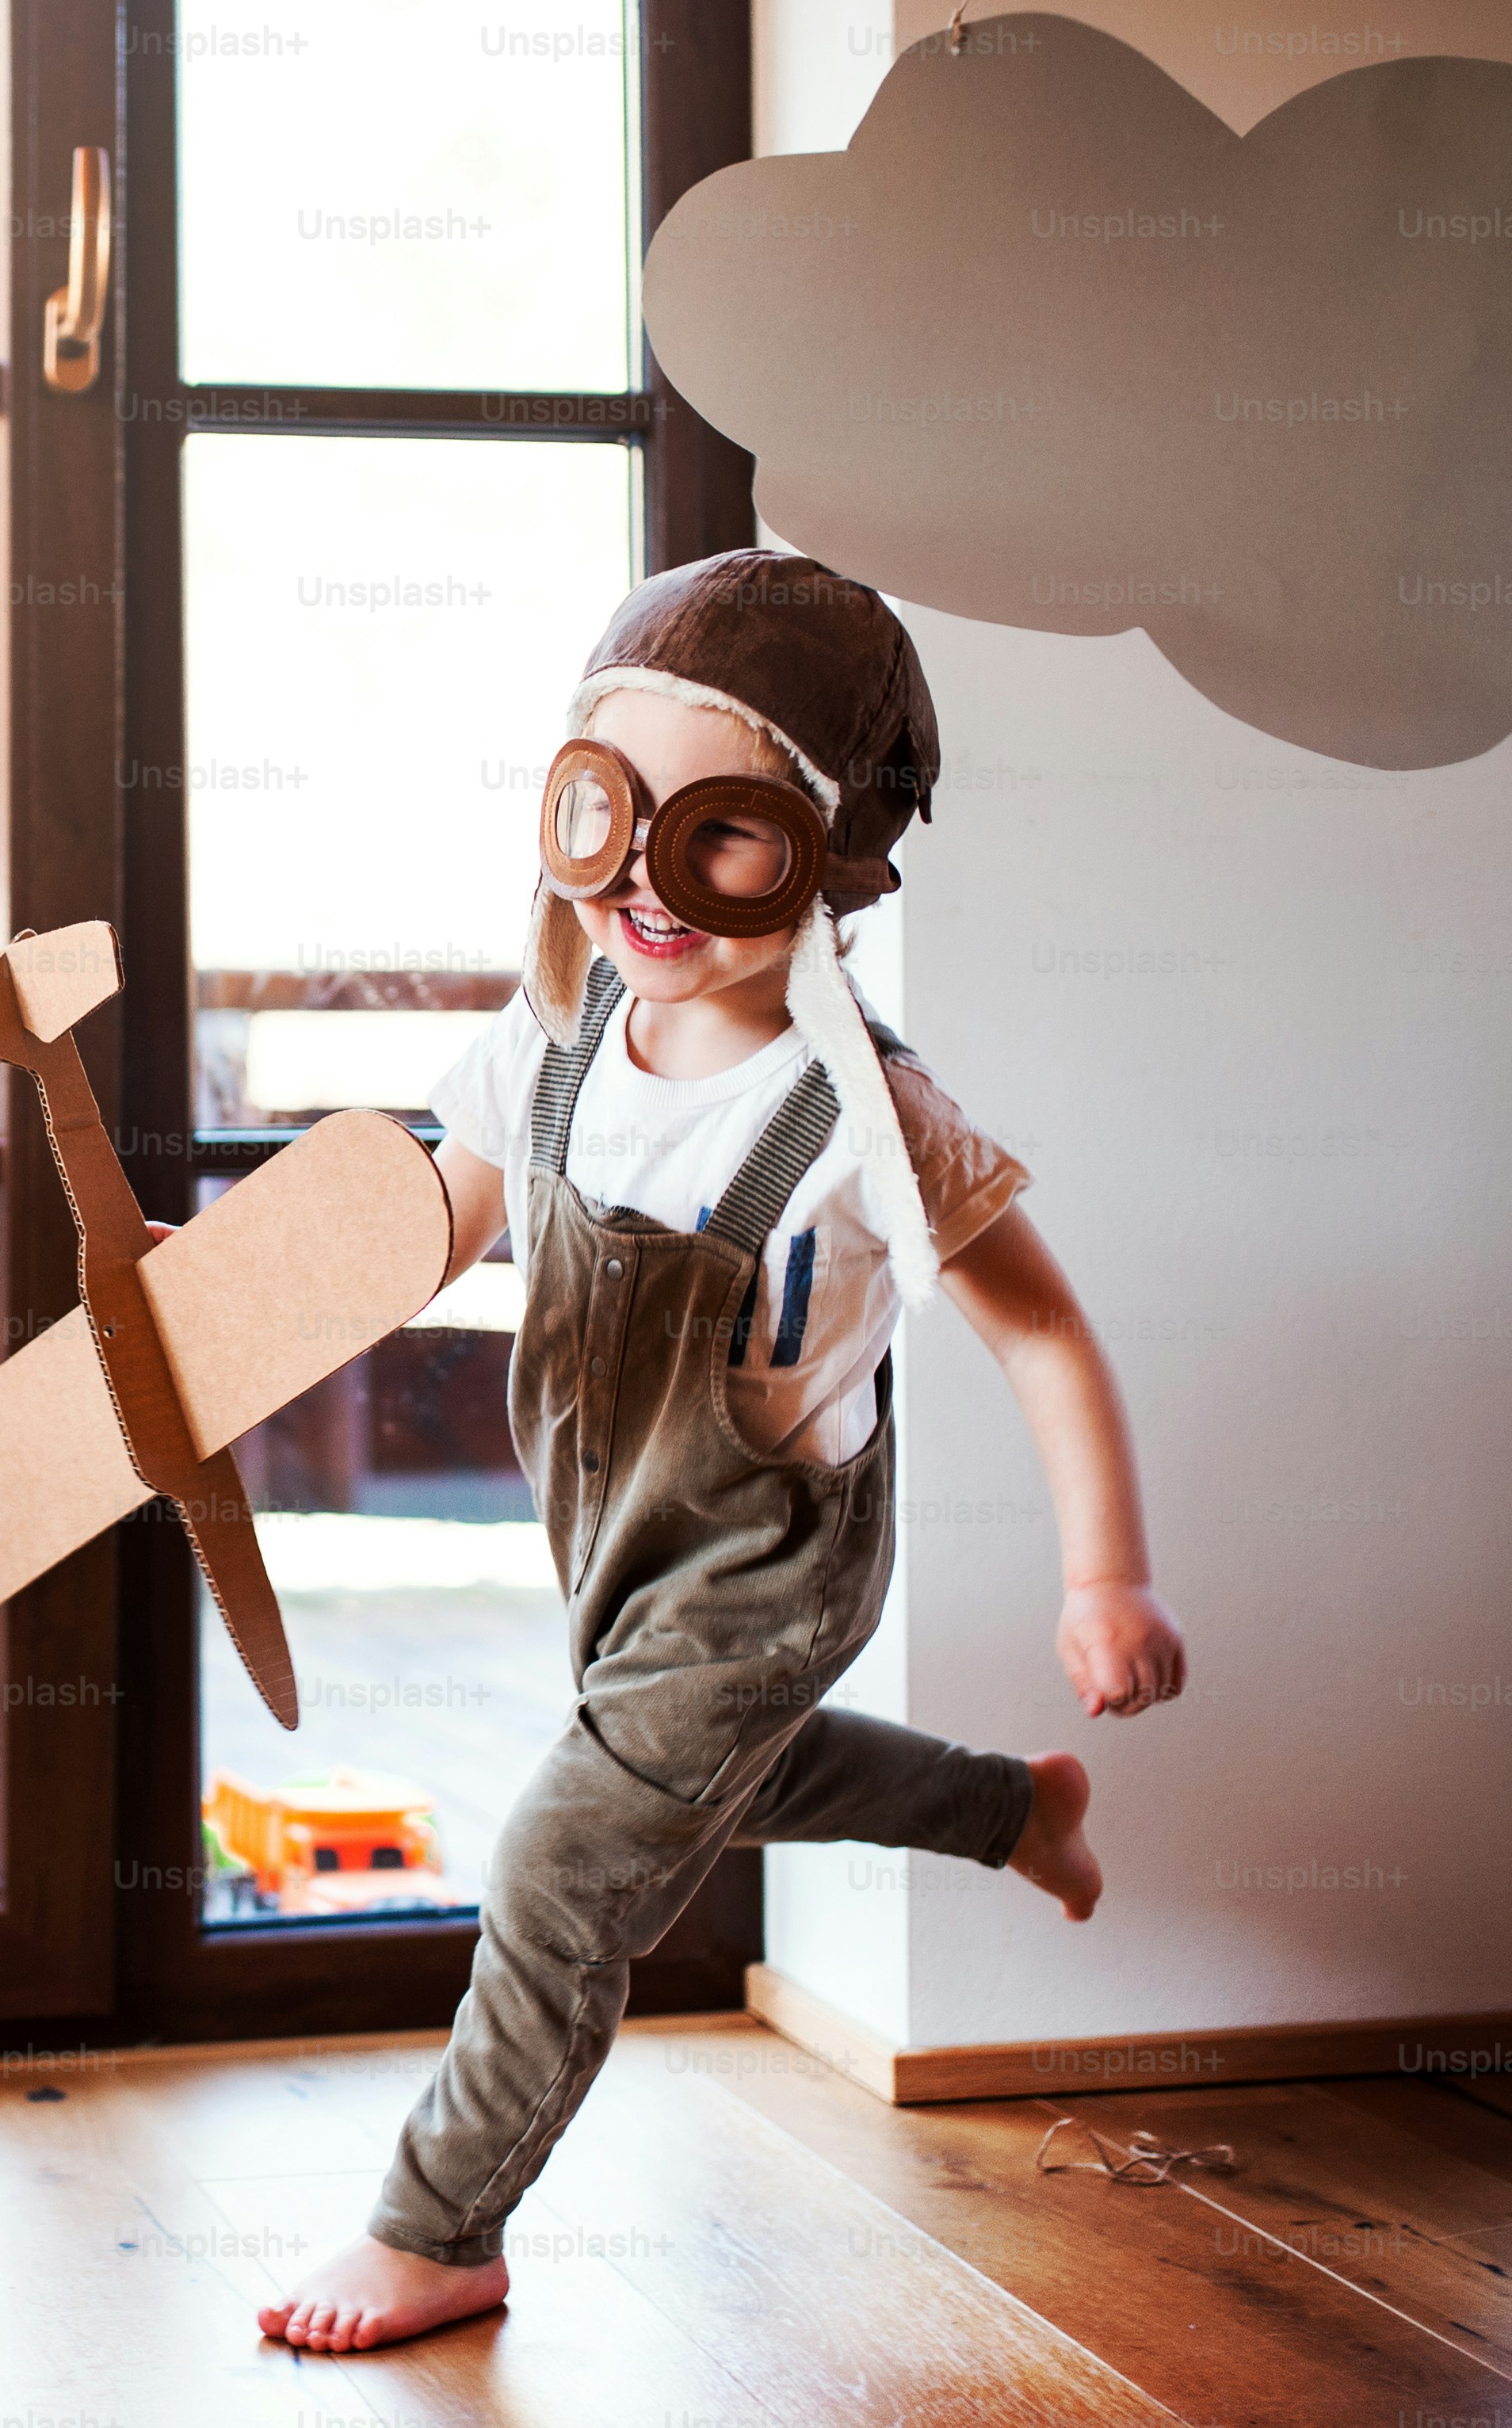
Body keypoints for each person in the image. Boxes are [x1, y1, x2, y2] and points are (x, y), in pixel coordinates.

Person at [260, 550, 1189, 2354]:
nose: (644, 885)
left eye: (725, 836)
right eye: (605, 812)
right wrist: (219, 1303)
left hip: (771, 1546)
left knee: (565, 1853)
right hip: (610, 1522)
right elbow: (422, 1225)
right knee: (709, 1785)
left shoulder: (860, 1113)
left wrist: (1107, 1573)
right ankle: (1012, 1808)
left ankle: (438, 2222)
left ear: (828, 855)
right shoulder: (549, 1042)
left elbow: (1040, 1327)